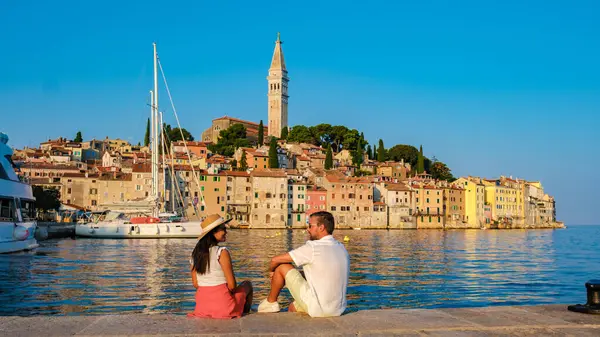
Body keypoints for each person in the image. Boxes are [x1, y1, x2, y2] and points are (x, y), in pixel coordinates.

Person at [257, 211, 350, 317]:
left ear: (321, 227)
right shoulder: (341, 248)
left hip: (318, 309)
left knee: (282, 266)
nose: (307, 229)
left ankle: (270, 303)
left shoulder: (313, 247)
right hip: (338, 309)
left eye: (310, 226)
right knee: (293, 307)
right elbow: (322, 273)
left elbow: (275, 260)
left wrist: (272, 272)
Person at [188, 214, 253, 319]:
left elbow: (196, 284)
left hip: (202, 307)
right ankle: (241, 312)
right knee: (247, 284)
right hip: (223, 307)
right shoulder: (221, 252)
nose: (226, 231)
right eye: (223, 228)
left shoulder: (194, 254)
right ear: (213, 233)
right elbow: (232, 286)